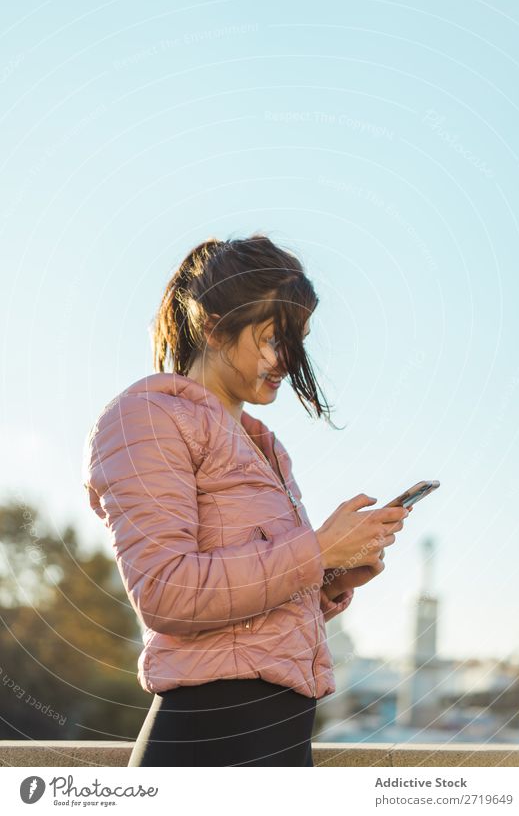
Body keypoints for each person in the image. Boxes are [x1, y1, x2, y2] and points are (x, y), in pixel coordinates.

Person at [82, 233, 411, 767]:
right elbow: (167, 593)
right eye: (272, 338)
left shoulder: (266, 448)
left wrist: (330, 578)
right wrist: (317, 552)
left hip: (281, 740)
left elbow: (249, 623)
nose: (286, 360)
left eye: (296, 341)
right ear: (213, 326)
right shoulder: (147, 418)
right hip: (209, 741)